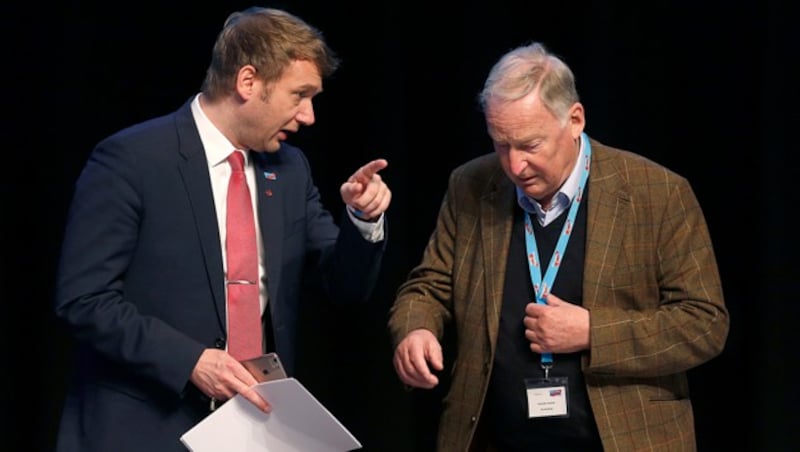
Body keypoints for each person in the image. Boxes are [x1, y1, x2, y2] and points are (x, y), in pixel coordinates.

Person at [53, 7, 391, 452]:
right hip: (145, 427)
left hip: (254, 430)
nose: (309, 116)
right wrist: (189, 361)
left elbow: (344, 286)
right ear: (247, 82)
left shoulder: (289, 169)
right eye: (299, 95)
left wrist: (363, 221)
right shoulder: (132, 160)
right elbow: (84, 299)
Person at [388, 41, 728, 451]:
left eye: (531, 145)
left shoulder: (657, 193)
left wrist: (592, 332)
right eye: (501, 144)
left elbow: (704, 324)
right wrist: (416, 328)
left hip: (625, 439)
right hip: (495, 437)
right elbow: (428, 285)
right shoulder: (471, 185)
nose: (514, 166)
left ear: (575, 120)